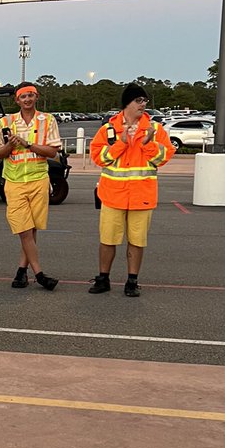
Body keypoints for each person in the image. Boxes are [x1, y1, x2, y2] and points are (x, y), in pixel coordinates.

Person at [88, 83, 175, 297]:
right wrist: (122, 143)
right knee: (108, 239)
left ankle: (132, 281)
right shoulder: (108, 130)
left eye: (145, 101)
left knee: (137, 240)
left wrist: (146, 142)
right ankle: (103, 278)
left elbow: (162, 159)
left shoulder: (155, 130)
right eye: (139, 100)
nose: (143, 105)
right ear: (127, 103)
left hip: (141, 196)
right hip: (112, 195)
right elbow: (99, 158)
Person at [0, 83, 63, 289]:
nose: (27, 100)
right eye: (23, 96)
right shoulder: (6, 122)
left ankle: (21, 271)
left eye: (30, 95)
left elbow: (52, 152)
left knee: (32, 229)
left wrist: (27, 144)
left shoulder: (47, 120)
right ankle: (39, 273)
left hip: (38, 178)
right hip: (14, 181)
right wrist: (10, 145)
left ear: (36, 97)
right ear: (17, 100)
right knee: (24, 230)